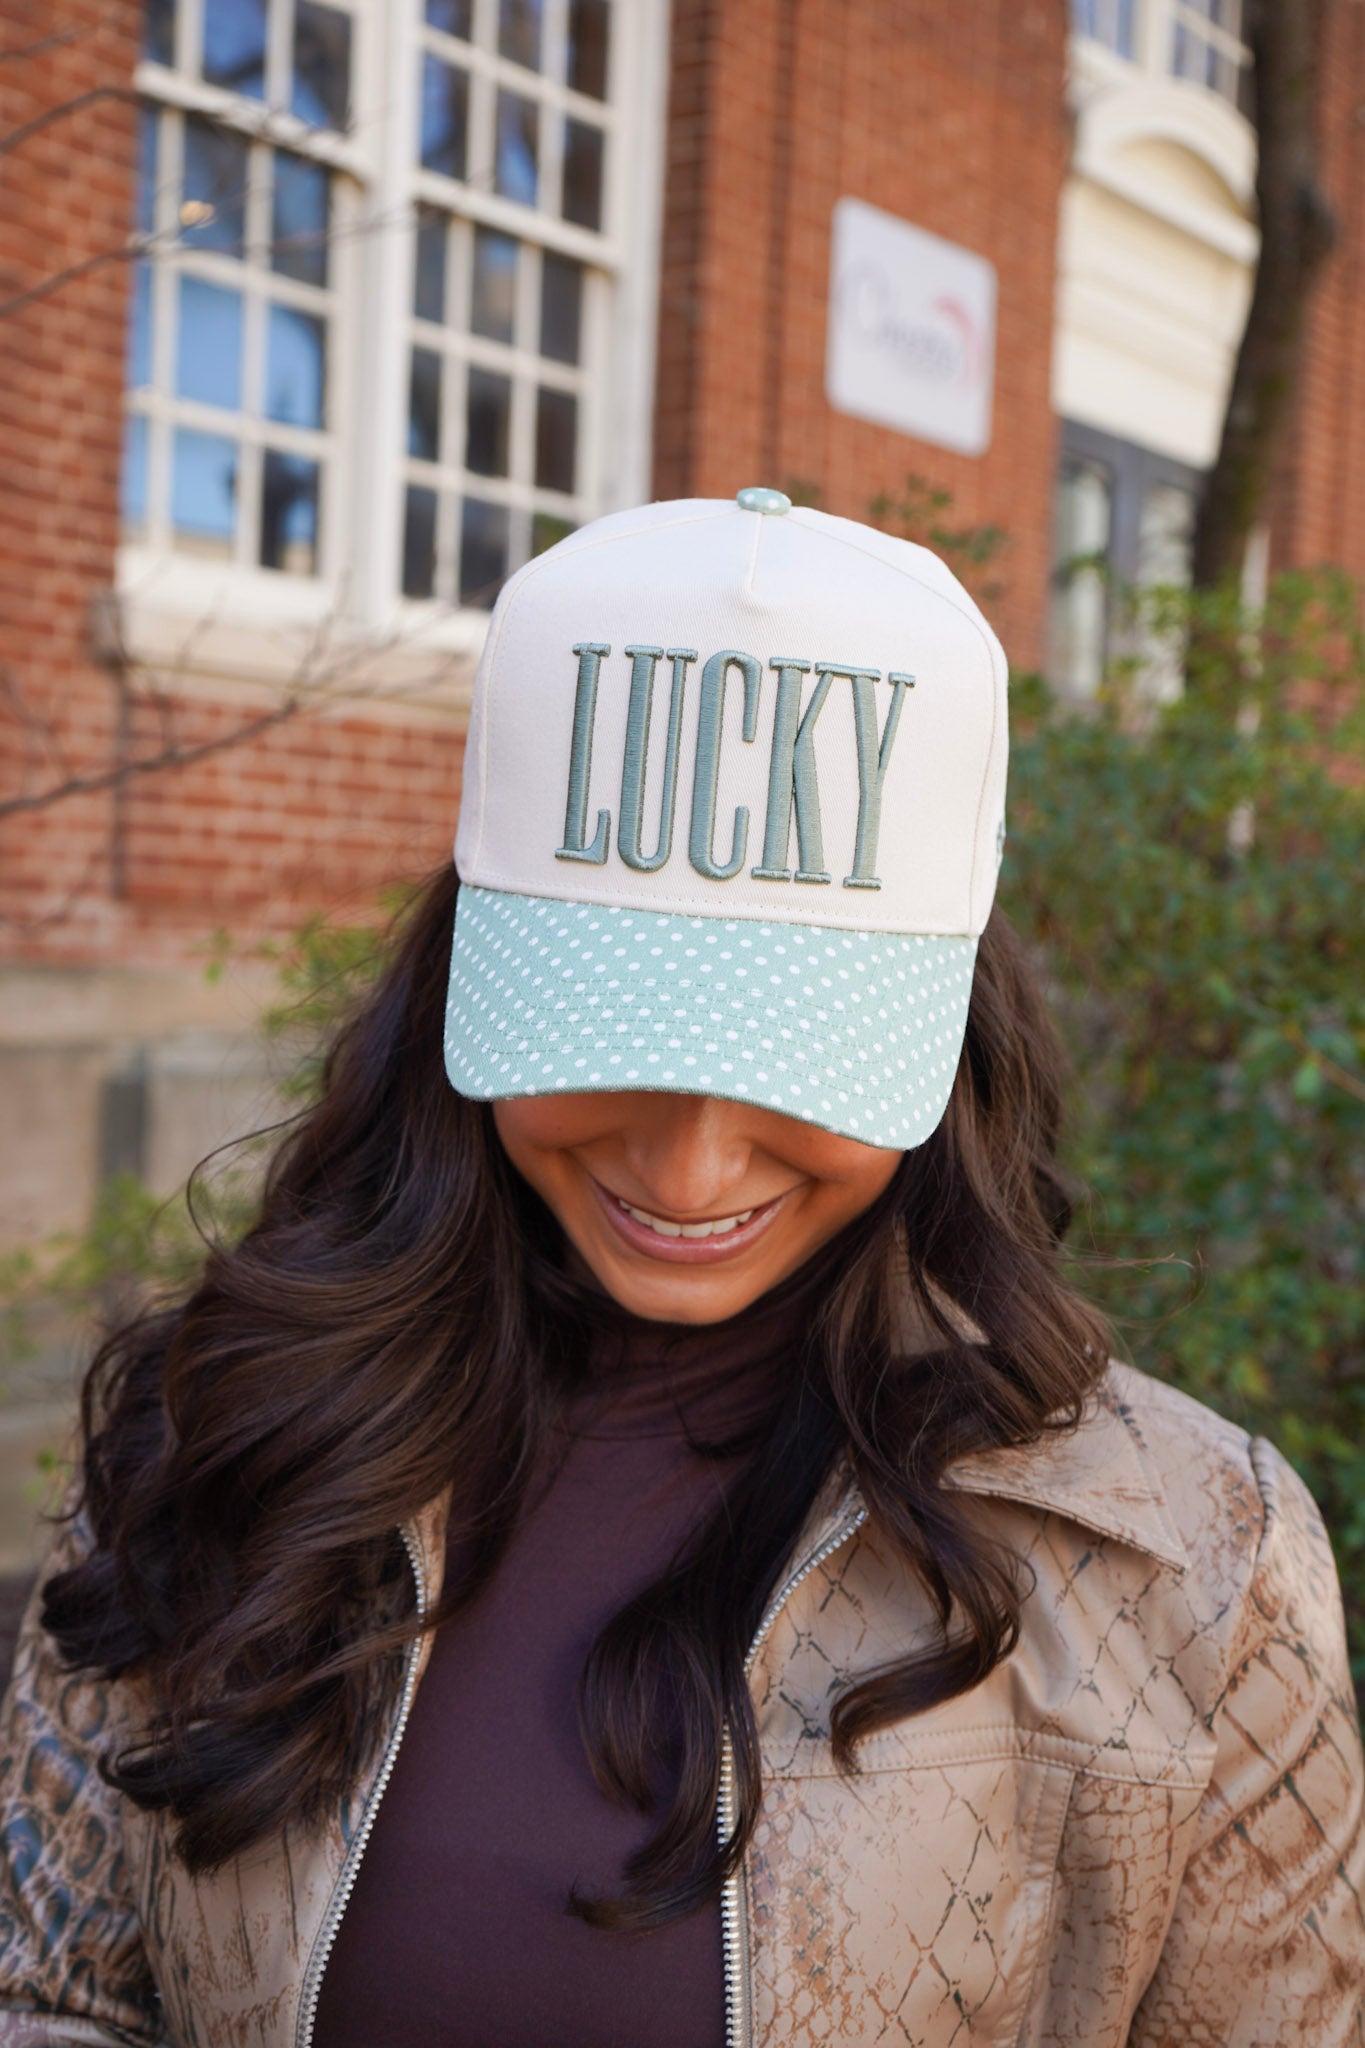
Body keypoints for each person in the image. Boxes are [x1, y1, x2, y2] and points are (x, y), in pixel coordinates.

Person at [0, 490, 1361, 2048]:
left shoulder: (1188, 1565)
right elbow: (44, 1985)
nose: (691, 1170)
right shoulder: (220, 1422)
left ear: (953, 1029)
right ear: (465, 975)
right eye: (604, 1036)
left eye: (802, 1064)